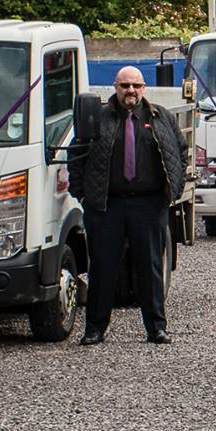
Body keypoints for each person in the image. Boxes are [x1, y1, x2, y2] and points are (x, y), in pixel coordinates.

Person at [75, 66, 188, 347]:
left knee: (150, 269)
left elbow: (180, 152)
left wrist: (171, 190)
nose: (131, 91)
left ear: (144, 88)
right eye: (125, 85)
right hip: (106, 205)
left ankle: (156, 329)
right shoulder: (97, 118)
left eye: (136, 86)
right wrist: (83, 195)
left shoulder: (161, 117)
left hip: (149, 205)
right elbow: (76, 155)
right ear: (115, 87)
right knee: (102, 269)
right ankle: (95, 329)